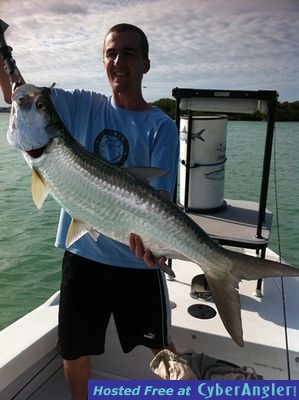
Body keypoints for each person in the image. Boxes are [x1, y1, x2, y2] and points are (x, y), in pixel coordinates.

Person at [1, 24, 179, 399]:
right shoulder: (83, 105)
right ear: (103, 61)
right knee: (74, 350)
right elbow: (25, 98)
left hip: (137, 265)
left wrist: (157, 246)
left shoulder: (161, 127)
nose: (119, 61)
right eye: (112, 53)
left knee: (161, 351)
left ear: (146, 63)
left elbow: (159, 201)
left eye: (129, 53)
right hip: (82, 256)